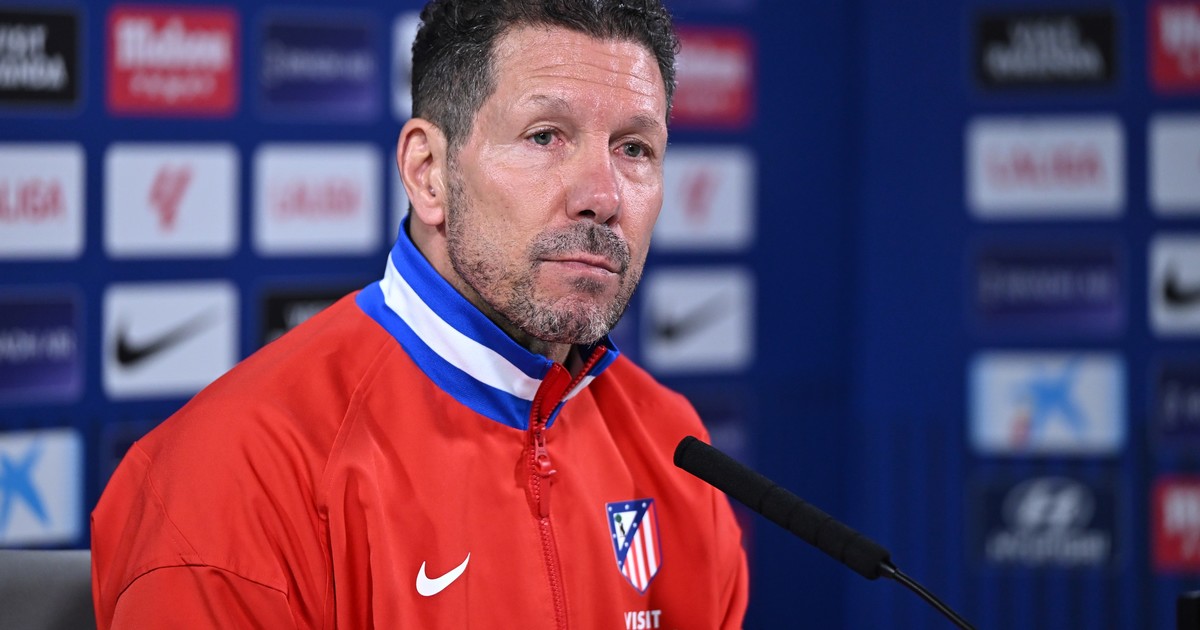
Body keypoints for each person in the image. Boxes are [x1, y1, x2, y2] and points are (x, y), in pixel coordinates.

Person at [90, 0, 749, 627]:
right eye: (545, 136)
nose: (602, 196)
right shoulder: (235, 474)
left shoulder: (674, 448)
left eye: (634, 148)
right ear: (428, 172)